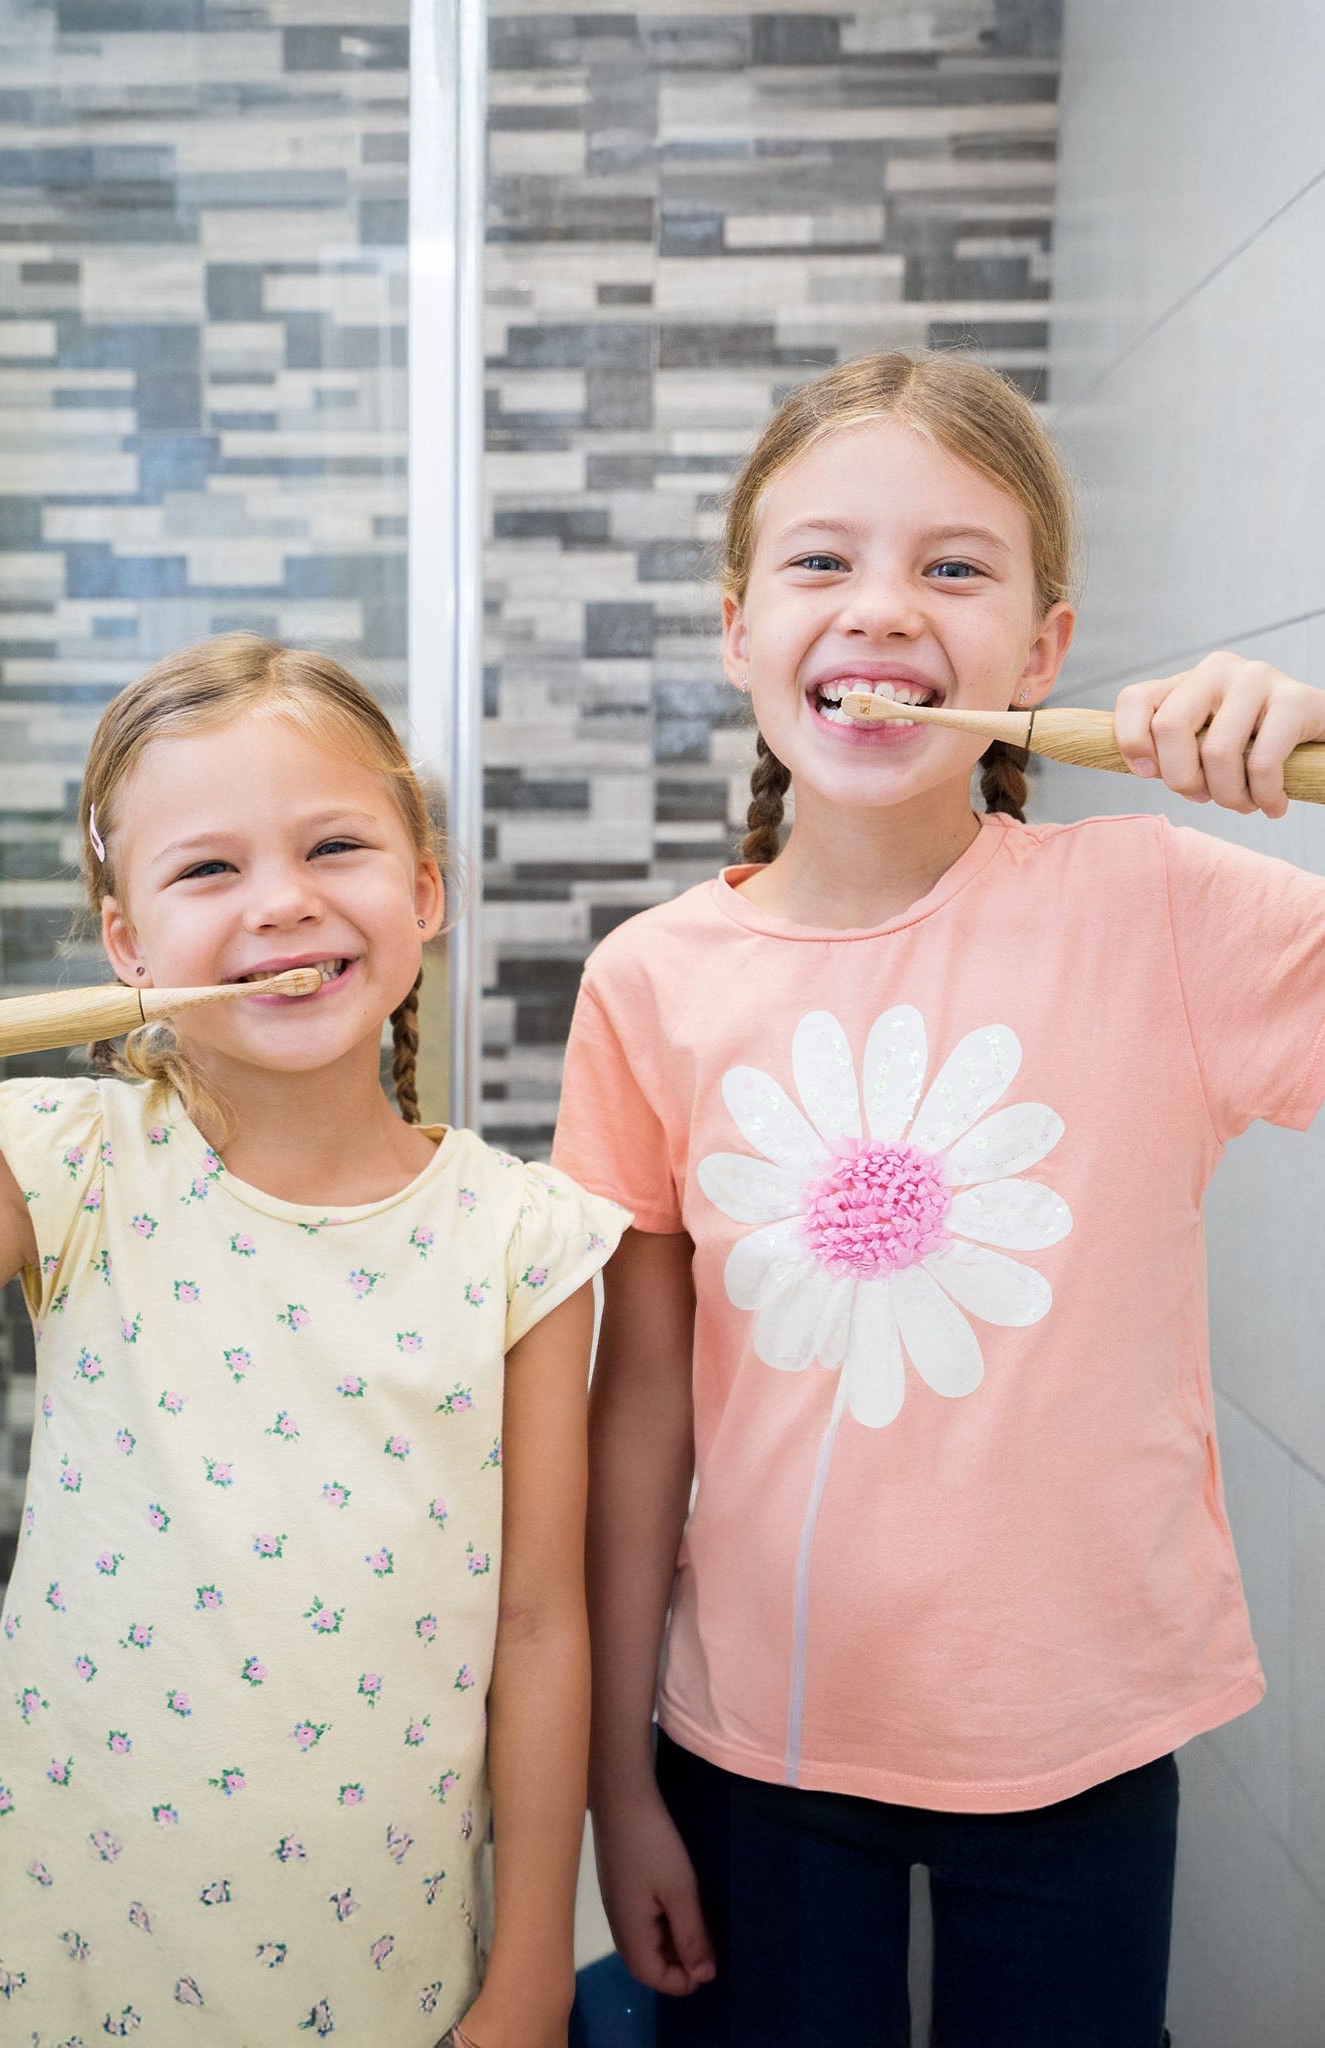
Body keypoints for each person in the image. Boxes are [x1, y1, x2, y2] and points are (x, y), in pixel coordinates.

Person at [550, 351, 1325, 2047]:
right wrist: (620, 1782)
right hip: (749, 1746)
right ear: (738, 626)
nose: (883, 611)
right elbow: (641, 1415)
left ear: (1044, 651)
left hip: (1083, 1730)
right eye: (823, 564)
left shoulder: (1168, 914)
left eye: (953, 567)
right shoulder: (651, 986)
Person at [0, 634, 627, 2048]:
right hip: (68, 1953)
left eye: (334, 845)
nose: (282, 903)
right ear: (128, 944)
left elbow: (537, 1629)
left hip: (385, 1970)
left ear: (423, 889)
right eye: (209, 869)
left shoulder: (524, 1241)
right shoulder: (66, 1162)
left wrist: (529, 1971)